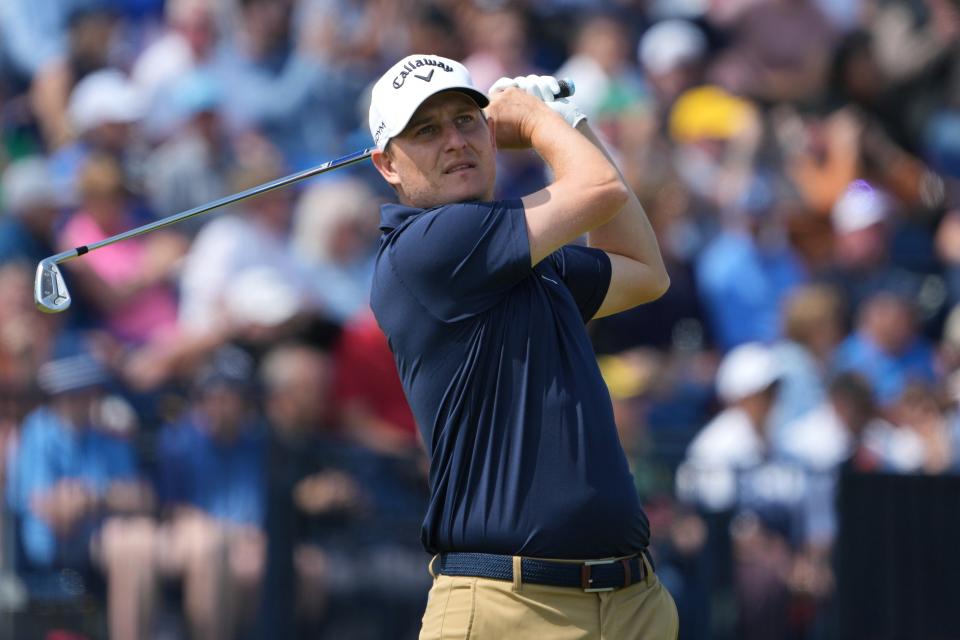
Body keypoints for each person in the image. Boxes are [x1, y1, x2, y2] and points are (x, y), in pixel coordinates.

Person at [367, 54, 676, 638]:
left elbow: (643, 269)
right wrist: (539, 123)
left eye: (467, 121)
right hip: (510, 609)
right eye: (427, 131)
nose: (455, 141)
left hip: (632, 603)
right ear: (387, 164)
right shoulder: (430, 244)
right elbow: (598, 188)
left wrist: (569, 119)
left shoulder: (522, 256)